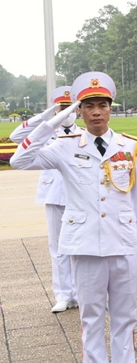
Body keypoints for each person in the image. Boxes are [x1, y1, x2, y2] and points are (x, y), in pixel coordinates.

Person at [11, 72, 137, 363]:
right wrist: (55, 121)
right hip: (86, 244)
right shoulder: (64, 146)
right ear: (80, 109)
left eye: (102, 105)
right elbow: (18, 160)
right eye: (88, 106)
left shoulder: (130, 147)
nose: (96, 112)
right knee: (91, 320)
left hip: (122, 243)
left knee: (125, 320)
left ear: (110, 109)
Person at [9, 86, 80, 313]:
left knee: (79, 247)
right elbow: (15, 137)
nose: (67, 112)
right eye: (62, 108)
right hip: (53, 195)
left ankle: (79, 293)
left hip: (78, 196)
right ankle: (63, 294)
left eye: (70, 108)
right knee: (57, 248)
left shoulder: (85, 133)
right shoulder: (47, 131)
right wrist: (49, 115)